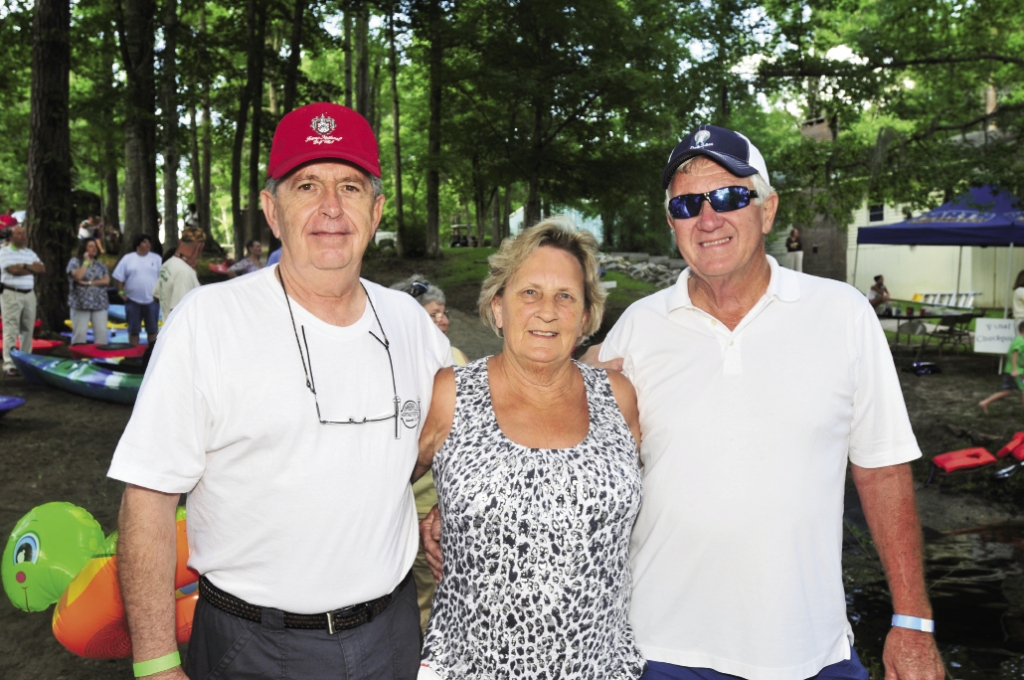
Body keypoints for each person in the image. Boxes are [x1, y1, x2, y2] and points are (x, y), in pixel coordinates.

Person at [428, 125, 944, 680]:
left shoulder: (842, 315)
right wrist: (460, 509)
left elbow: (883, 468)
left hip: (812, 650)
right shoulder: (637, 332)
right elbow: (556, 437)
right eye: (687, 203)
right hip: (663, 652)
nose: (708, 217)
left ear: (767, 211)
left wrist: (912, 621)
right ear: (673, 222)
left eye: (728, 196)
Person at [108, 102, 450, 680]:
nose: (331, 208)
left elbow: (438, 441)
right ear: (272, 209)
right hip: (253, 646)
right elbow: (148, 498)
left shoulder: (410, 323)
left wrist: (442, 504)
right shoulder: (208, 321)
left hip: (391, 635)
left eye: (350, 185)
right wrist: (156, 663)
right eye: (306, 185)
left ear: (376, 208)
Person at [415, 219, 645, 679]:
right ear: (497, 307)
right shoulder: (449, 393)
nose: (547, 310)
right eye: (529, 293)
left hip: (597, 667)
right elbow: (382, 482)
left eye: (565, 296)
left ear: (585, 317)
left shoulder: (618, 397)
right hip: (470, 668)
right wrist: (433, 518)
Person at [389, 274, 468, 634]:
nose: (443, 321)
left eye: (444, 313)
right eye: (433, 315)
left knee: (425, 597)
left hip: (431, 504)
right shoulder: (449, 359)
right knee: (433, 600)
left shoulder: (449, 357)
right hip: (422, 503)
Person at [0, 225, 45, 376]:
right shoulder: (4, 251)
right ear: (11, 237)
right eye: (19, 234)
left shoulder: (29, 252)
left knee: (27, 328)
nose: (23, 236)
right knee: (11, 328)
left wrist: (25, 266)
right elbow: (12, 270)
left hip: (29, 294)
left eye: (24, 233)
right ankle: (9, 364)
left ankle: (26, 360)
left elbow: (42, 269)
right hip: (11, 293)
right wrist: (31, 268)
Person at [112, 234, 163, 346]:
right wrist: (121, 293)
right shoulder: (128, 259)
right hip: (132, 300)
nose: (148, 244)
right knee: (133, 330)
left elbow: (163, 278)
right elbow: (119, 277)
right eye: (145, 242)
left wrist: (160, 294)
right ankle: (133, 353)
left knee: (153, 329)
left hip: (152, 300)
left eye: (148, 242)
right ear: (138, 244)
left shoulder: (156, 258)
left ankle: (151, 353)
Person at [153, 226, 205, 320]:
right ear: (200, 247)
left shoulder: (168, 264)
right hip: (182, 334)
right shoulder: (184, 272)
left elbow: (156, 296)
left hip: (166, 330)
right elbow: (179, 311)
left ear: (179, 242)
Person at [66, 239, 110, 345]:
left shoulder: (100, 264)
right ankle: (79, 357)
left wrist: (88, 283)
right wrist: (85, 262)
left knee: (101, 334)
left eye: (95, 246)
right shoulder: (75, 262)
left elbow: (106, 280)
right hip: (80, 303)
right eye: (91, 246)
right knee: (79, 334)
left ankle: (100, 359)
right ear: (84, 248)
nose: (94, 248)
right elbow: (78, 276)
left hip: (99, 303)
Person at [978, 319, 1024, 414]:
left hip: (1013, 370)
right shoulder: (1021, 341)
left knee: (1007, 392)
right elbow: (1015, 353)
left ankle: (985, 402)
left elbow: (1010, 354)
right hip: (1014, 371)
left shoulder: (1017, 339)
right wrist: (1015, 369)